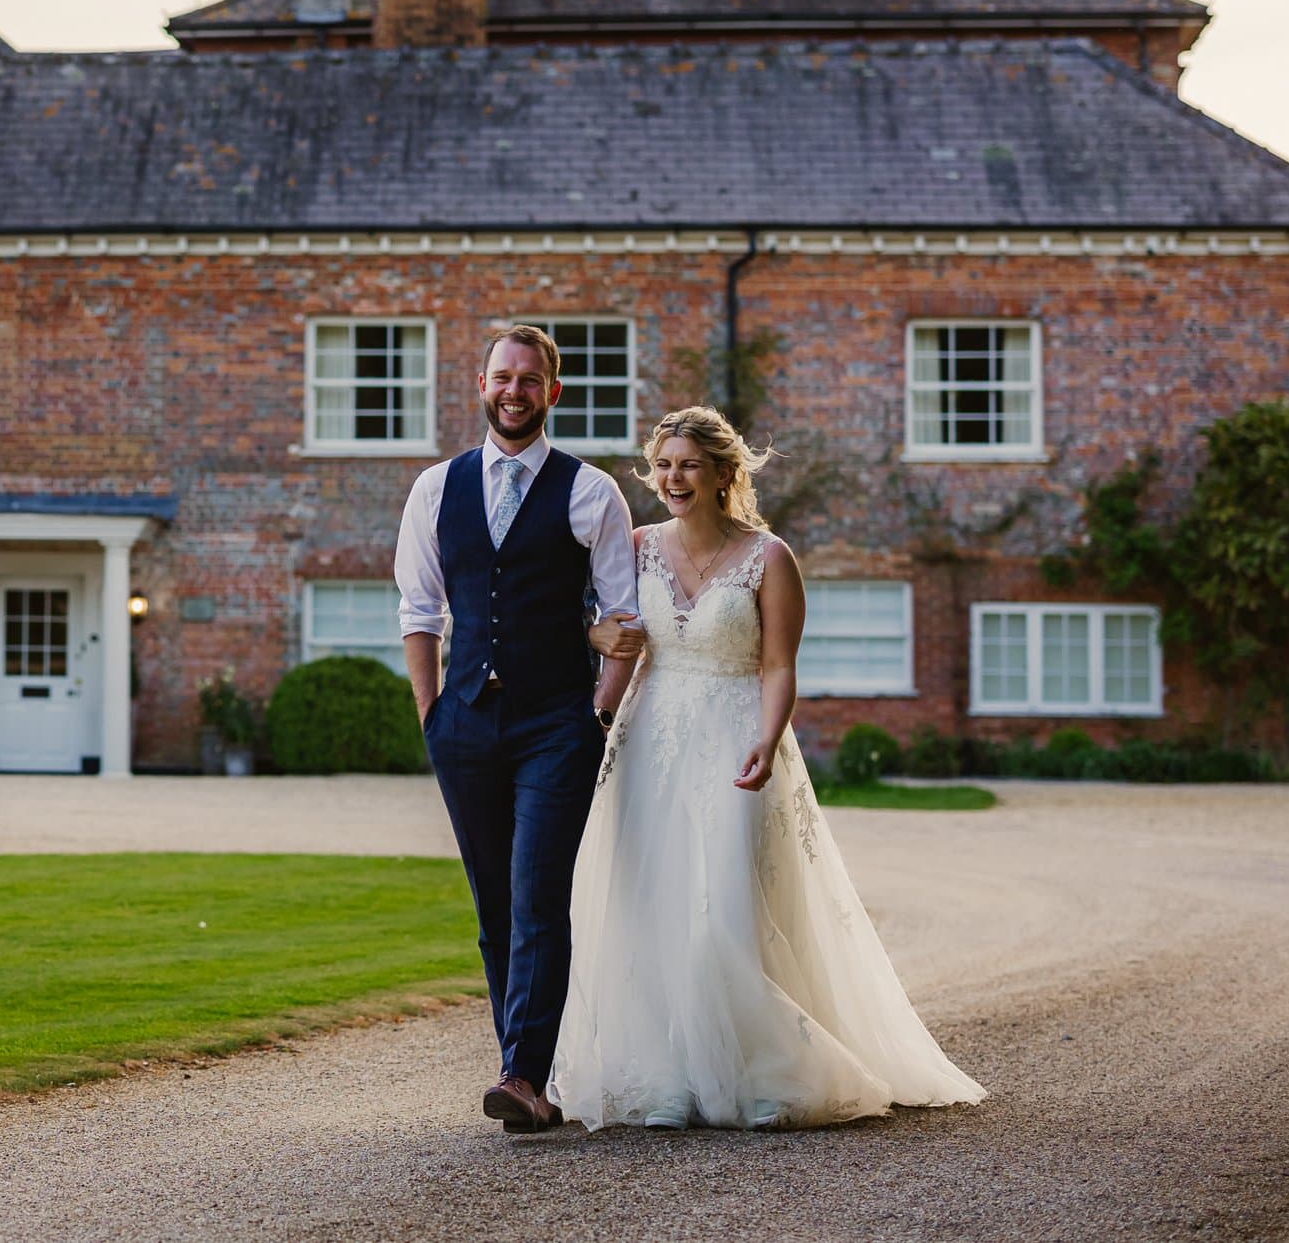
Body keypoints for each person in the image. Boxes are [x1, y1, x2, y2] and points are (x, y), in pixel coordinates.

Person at [548, 405, 985, 1130]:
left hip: (735, 736)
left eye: (689, 465)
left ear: (724, 473)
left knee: (725, 904)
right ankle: (667, 1078)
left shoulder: (769, 557)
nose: (673, 478)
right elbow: (609, 636)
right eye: (663, 465)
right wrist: (596, 691)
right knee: (649, 904)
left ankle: (760, 1071)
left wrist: (767, 734)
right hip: (649, 739)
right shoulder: (637, 546)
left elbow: (778, 665)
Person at [395, 324, 644, 1133]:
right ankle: (529, 1073)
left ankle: (523, 1074)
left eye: (530, 379)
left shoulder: (591, 492)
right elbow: (419, 609)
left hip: (556, 724)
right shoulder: (436, 488)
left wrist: (598, 711)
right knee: (494, 906)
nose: (514, 391)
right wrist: (432, 712)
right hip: (464, 721)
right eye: (502, 376)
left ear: (552, 392)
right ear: (481, 384)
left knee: (537, 894)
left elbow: (624, 616)